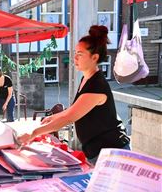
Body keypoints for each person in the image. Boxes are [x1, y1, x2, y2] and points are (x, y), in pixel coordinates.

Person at [18, 25, 131, 165]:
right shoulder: (86, 79)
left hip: (113, 153)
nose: (75, 58)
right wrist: (54, 116)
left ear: (94, 57)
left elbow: (69, 117)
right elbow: (75, 110)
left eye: (80, 54)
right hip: (98, 152)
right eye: (75, 53)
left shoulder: (97, 85)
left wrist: (33, 133)